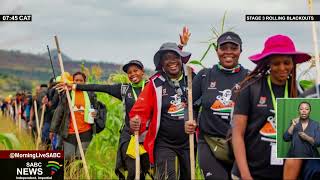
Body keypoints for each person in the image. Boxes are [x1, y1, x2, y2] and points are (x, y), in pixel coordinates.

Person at [231, 34, 311, 179]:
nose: (282, 68)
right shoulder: (251, 88)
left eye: (287, 63)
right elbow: (237, 134)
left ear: (293, 63)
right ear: (268, 63)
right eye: (276, 63)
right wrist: (245, 175)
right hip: (250, 173)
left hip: (284, 175)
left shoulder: (299, 93)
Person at [56, 60, 150, 179]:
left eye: (135, 71)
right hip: (129, 135)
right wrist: (75, 86)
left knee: (144, 169)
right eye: (129, 72)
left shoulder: (150, 87)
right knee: (132, 170)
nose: (132, 74)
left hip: (147, 134)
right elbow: (100, 87)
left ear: (142, 72)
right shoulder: (124, 89)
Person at [184, 31, 248, 180]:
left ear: (240, 50)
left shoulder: (249, 78)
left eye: (234, 48)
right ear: (217, 50)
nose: (228, 52)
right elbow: (190, 105)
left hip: (240, 145)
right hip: (209, 142)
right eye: (223, 47)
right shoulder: (205, 75)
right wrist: (188, 120)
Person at [129, 42, 194, 180]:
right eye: (166, 58)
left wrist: (197, 122)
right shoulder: (156, 82)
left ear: (180, 58)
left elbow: (204, 103)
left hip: (189, 140)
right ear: (162, 64)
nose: (171, 61)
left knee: (188, 176)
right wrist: (135, 120)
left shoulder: (192, 77)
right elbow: (140, 109)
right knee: (166, 176)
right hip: (164, 142)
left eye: (174, 56)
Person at [50, 72, 105, 161]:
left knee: (80, 158)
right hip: (70, 131)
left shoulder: (90, 94)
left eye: (81, 80)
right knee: (68, 156)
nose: (78, 82)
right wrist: (53, 130)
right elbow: (59, 111)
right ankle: (69, 174)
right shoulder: (68, 94)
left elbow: (97, 109)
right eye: (76, 80)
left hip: (85, 132)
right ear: (73, 81)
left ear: (84, 82)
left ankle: (78, 175)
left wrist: (96, 113)